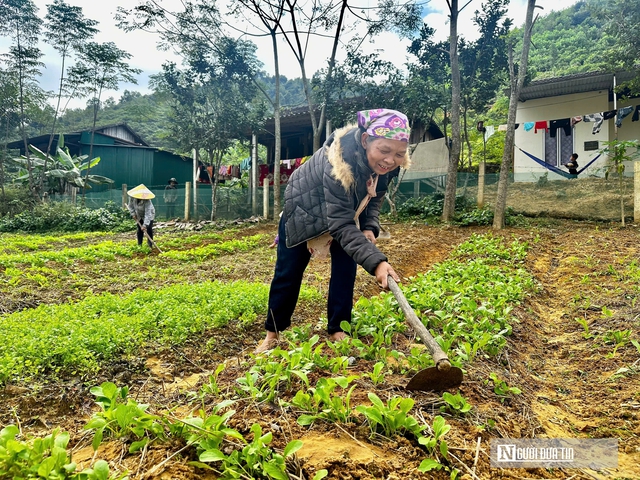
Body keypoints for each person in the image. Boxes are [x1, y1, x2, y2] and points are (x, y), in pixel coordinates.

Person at [255, 108, 411, 353]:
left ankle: (338, 329)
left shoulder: (388, 166)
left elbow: (376, 195)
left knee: (346, 270)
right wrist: (378, 263)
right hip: (303, 212)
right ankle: (272, 334)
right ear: (365, 140)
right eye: (384, 151)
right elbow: (340, 224)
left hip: (343, 213)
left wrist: (369, 227)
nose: (391, 160)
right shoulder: (337, 162)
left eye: (399, 154)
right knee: (288, 273)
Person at [126, 184, 156, 248]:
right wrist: (133, 214)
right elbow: (130, 206)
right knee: (139, 229)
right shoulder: (132, 197)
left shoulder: (147, 200)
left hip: (149, 214)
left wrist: (145, 225)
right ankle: (139, 244)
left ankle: (150, 244)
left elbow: (148, 213)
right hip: (138, 214)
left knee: (149, 228)